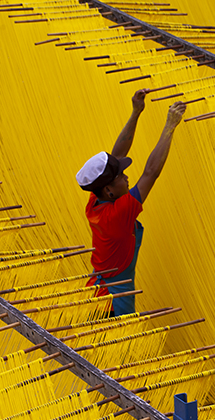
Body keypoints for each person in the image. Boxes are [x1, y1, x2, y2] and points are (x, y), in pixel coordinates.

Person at [75, 91, 187, 316]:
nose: (126, 176)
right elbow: (151, 173)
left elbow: (117, 155)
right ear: (109, 189)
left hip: (98, 291)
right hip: (114, 304)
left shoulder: (96, 199)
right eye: (121, 177)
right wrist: (169, 126)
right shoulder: (118, 214)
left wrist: (136, 112)